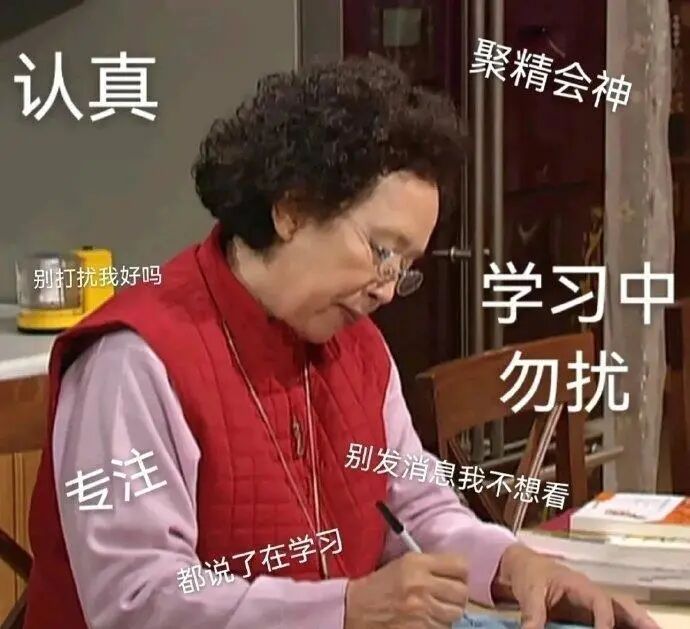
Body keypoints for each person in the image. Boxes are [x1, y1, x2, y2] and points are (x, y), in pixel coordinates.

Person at [24, 56, 657, 629]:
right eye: (381, 251)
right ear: (293, 209)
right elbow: (137, 600)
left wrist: (513, 565)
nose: (388, 289)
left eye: (405, 268)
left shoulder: (359, 349)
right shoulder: (134, 361)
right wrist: (348, 609)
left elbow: (419, 509)